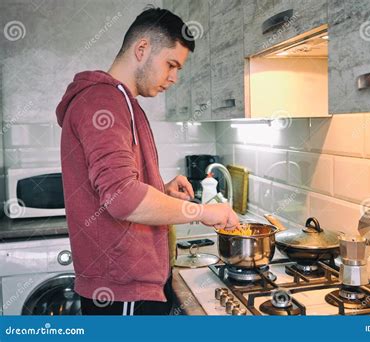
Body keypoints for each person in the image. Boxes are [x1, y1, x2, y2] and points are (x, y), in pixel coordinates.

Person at [56, 6, 239, 316]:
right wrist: (203, 212)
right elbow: (121, 198)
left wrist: (159, 189)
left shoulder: (121, 102)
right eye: (171, 64)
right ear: (142, 49)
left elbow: (116, 186)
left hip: (128, 283)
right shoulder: (103, 101)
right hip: (122, 288)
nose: (174, 78)